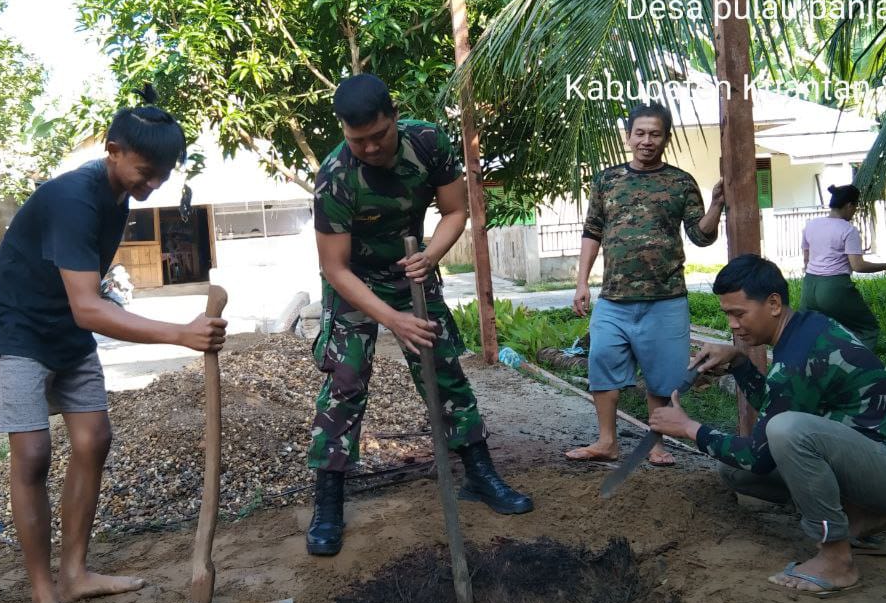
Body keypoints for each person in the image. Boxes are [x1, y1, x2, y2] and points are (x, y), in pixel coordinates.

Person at [0, 104, 226, 603]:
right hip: (14, 330)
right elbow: (90, 308)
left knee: (93, 438)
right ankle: (45, 599)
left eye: (162, 175)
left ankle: (75, 574)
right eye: (145, 173)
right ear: (112, 151)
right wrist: (178, 334)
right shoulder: (72, 199)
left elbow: (81, 302)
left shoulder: (117, 197)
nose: (154, 185)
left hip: (64, 329)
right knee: (34, 454)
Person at [304, 73, 532, 557]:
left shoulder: (427, 141)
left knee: (445, 369)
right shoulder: (335, 175)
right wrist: (391, 318)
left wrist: (431, 256)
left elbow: (455, 211)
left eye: (378, 136)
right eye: (356, 140)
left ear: (394, 117)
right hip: (355, 283)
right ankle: (328, 500)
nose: (368, 148)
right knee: (345, 382)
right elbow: (334, 268)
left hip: (413, 269)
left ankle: (479, 472)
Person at [649, 254, 886, 597]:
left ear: (773, 304)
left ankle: (836, 559)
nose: (733, 325)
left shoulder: (801, 356)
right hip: (873, 462)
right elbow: (778, 405)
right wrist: (740, 363)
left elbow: (761, 452)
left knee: (787, 432)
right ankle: (860, 520)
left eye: (738, 313)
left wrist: (688, 428)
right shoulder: (805, 329)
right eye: (727, 314)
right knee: (735, 472)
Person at [567, 101, 723, 466]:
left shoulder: (681, 182)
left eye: (655, 134)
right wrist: (581, 283)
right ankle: (607, 441)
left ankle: (656, 444)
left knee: (662, 375)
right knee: (602, 364)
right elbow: (592, 230)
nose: (647, 140)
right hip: (613, 298)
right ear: (628, 137)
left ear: (666, 138)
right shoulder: (607, 180)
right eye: (640, 133)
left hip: (666, 299)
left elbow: (701, 237)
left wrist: (717, 205)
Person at [801, 184, 886, 350]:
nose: (855, 212)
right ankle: (859, 370)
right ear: (849, 205)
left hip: (809, 287)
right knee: (868, 328)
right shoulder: (848, 230)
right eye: (855, 207)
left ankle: (817, 369)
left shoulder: (811, 225)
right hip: (834, 288)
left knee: (817, 331)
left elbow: (806, 259)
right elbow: (858, 266)